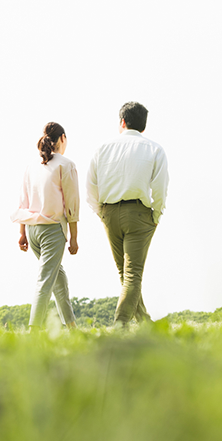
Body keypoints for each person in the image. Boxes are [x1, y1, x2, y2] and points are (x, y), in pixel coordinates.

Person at [86, 102, 169, 328]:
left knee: (126, 273)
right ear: (144, 126)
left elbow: (90, 185)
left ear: (122, 121)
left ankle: (145, 323)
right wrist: (156, 214)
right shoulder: (154, 149)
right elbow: (161, 186)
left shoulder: (102, 148)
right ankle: (120, 324)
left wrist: (100, 211)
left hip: (109, 213)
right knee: (132, 274)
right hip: (139, 214)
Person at [11, 122, 79, 330]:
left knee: (57, 277)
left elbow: (23, 202)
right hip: (52, 230)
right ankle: (34, 331)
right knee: (45, 281)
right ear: (63, 139)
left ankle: (72, 327)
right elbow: (72, 205)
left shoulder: (31, 166)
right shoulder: (66, 165)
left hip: (32, 231)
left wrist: (22, 233)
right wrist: (74, 238)